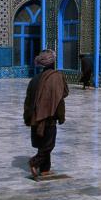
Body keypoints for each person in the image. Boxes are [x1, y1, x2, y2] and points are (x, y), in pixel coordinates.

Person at [23, 49, 69, 178]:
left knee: (42, 144)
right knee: (48, 145)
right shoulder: (56, 76)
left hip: (35, 116)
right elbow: (63, 94)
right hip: (49, 116)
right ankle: (34, 162)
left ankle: (45, 170)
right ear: (53, 61)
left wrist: (28, 117)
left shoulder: (35, 79)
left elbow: (28, 100)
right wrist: (61, 116)